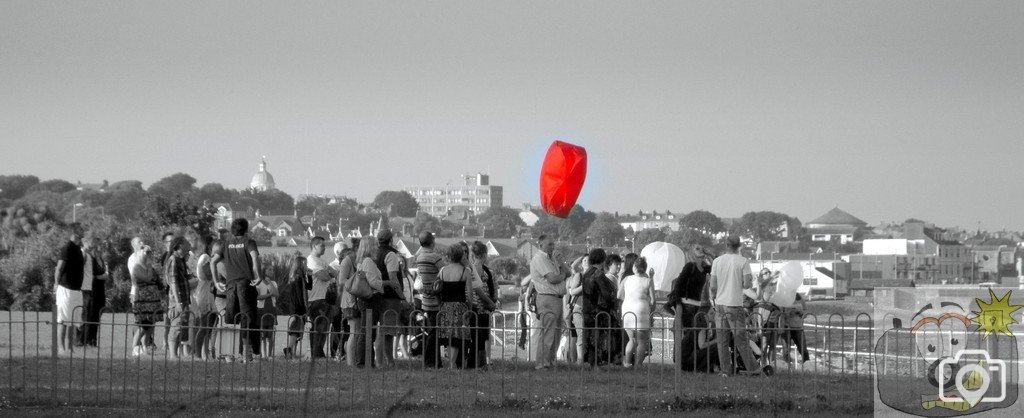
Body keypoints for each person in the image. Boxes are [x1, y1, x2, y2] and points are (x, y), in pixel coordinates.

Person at [210, 218, 263, 363]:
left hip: (231, 286)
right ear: (246, 229)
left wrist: (216, 282)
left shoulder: (226, 244)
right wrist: (259, 276)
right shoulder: (249, 242)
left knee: (231, 318)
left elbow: (212, 262)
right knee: (248, 318)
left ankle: (227, 353)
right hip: (246, 285)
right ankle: (246, 354)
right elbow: (255, 258)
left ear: (233, 229)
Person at [709, 236, 758, 375]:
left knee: (722, 340)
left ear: (726, 245)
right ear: (739, 246)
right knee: (741, 339)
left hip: (719, 304)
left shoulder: (717, 261)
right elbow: (747, 285)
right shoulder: (743, 261)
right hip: (734, 304)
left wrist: (713, 295)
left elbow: (713, 286)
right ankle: (753, 369)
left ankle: (725, 371)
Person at [664, 246, 714, 371]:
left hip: (697, 305)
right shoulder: (690, 267)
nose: (700, 250)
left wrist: (708, 253)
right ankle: (679, 360)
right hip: (686, 304)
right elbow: (679, 285)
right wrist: (679, 305)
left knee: (691, 334)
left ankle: (687, 360)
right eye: (697, 249)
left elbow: (715, 265)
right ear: (692, 253)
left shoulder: (704, 268)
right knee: (685, 332)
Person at [528, 234, 570, 369]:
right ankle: (542, 364)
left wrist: (562, 263)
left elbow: (568, 273)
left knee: (556, 333)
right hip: (547, 298)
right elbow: (553, 278)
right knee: (548, 333)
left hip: (557, 298)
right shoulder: (539, 258)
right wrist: (562, 274)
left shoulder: (553, 259)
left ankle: (551, 362)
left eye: (553, 244)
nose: (553, 247)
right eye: (549, 244)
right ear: (541, 245)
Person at [374, 229, 406, 368]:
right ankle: (387, 361)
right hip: (390, 297)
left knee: (382, 330)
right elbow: (393, 278)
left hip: (378, 295)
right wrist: (402, 296)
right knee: (388, 331)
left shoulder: (375, 253)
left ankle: (382, 360)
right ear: (391, 240)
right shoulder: (390, 254)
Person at [577, 249, 614, 366]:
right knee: (598, 338)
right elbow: (606, 293)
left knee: (589, 338)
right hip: (598, 311)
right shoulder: (598, 274)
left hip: (587, 310)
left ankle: (590, 362)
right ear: (602, 260)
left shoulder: (586, 273)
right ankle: (597, 363)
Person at [414, 231, 446, 368]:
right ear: (432, 241)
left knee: (431, 329)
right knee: (434, 331)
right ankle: (429, 360)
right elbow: (444, 272)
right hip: (435, 298)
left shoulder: (419, 257)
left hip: (426, 298)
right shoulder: (435, 257)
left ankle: (436, 361)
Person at [53, 225, 86, 355]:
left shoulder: (78, 249)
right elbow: (59, 268)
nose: (83, 231)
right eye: (81, 229)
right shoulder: (67, 248)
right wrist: (56, 284)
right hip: (65, 288)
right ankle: (61, 348)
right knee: (63, 319)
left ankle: (70, 348)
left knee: (72, 320)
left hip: (77, 290)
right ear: (75, 232)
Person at [354, 236, 385, 367]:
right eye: (375, 245)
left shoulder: (363, 261)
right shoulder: (368, 262)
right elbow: (373, 282)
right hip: (370, 299)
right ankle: (363, 362)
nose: (377, 247)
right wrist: (384, 285)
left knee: (368, 331)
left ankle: (367, 361)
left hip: (366, 299)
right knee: (367, 331)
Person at [619, 256, 655, 367]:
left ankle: (627, 362)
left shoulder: (627, 279)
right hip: (642, 311)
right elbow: (653, 300)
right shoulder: (648, 281)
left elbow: (619, 295)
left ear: (634, 267)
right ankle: (638, 364)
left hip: (628, 311)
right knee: (642, 341)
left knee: (632, 339)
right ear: (645, 268)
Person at [468, 241, 498, 369]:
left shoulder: (478, 267)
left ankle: (482, 362)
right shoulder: (478, 267)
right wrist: (490, 301)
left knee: (482, 335)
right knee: (481, 336)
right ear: (483, 254)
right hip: (480, 306)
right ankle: (480, 362)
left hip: (482, 306)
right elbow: (478, 289)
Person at [306, 236, 337, 359]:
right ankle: (315, 353)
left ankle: (319, 353)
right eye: (322, 246)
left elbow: (335, 273)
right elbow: (324, 276)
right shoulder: (312, 260)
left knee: (324, 328)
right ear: (314, 246)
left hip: (325, 298)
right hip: (316, 299)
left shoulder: (322, 261)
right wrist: (329, 273)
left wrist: (329, 273)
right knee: (317, 328)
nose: (324, 248)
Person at [165, 236, 194, 359]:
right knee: (176, 324)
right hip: (177, 299)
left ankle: (175, 353)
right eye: (186, 242)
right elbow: (173, 282)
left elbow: (180, 278)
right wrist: (177, 302)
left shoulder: (180, 259)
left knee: (181, 325)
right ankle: (172, 354)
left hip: (184, 298)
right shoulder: (174, 260)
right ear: (180, 245)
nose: (189, 243)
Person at [78, 232, 108, 347]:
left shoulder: (101, 259)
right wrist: (99, 277)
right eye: (99, 244)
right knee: (89, 315)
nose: (101, 247)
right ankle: (83, 339)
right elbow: (89, 274)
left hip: (101, 290)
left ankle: (92, 340)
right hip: (92, 289)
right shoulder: (91, 258)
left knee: (97, 315)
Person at [190, 236, 217, 360]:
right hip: (203, 294)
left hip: (206, 293)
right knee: (204, 326)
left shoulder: (206, 258)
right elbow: (209, 275)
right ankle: (197, 354)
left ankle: (204, 354)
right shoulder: (205, 258)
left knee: (207, 328)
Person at [283, 255, 309, 359]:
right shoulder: (298, 278)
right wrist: (304, 309)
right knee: (295, 330)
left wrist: (309, 276)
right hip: (298, 308)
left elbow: (309, 286)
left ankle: (292, 352)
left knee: (298, 331)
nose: (307, 266)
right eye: (305, 264)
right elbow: (299, 295)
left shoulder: (299, 277)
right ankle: (289, 349)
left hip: (296, 307)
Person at [256, 272, 279, 359]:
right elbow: (258, 297)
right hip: (262, 309)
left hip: (271, 309)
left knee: (270, 333)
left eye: (272, 270)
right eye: (269, 269)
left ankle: (270, 355)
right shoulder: (259, 283)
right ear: (264, 271)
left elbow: (276, 294)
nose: (271, 271)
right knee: (262, 334)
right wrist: (269, 294)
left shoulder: (273, 283)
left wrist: (270, 284)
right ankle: (263, 354)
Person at [159, 231, 175, 351]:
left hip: (174, 290)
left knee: (174, 317)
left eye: (173, 241)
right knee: (167, 319)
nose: (171, 243)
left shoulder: (176, 255)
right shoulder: (164, 256)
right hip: (167, 291)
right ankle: (165, 342)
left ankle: (173, 341)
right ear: (165, 243)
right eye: (169, 241)